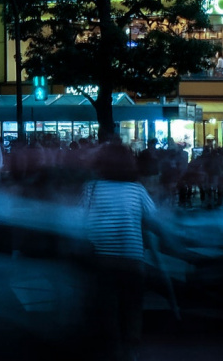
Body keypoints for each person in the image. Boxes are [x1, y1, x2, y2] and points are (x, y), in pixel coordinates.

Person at [82, 144, 159, 361]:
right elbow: (153, 218)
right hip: (132, 258)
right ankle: (131, 351)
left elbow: (81, 219)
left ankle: (112, 350)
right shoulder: (137, 189)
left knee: (107, 309)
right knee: (132, 308)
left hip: (101, 257)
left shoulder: (91, 188)